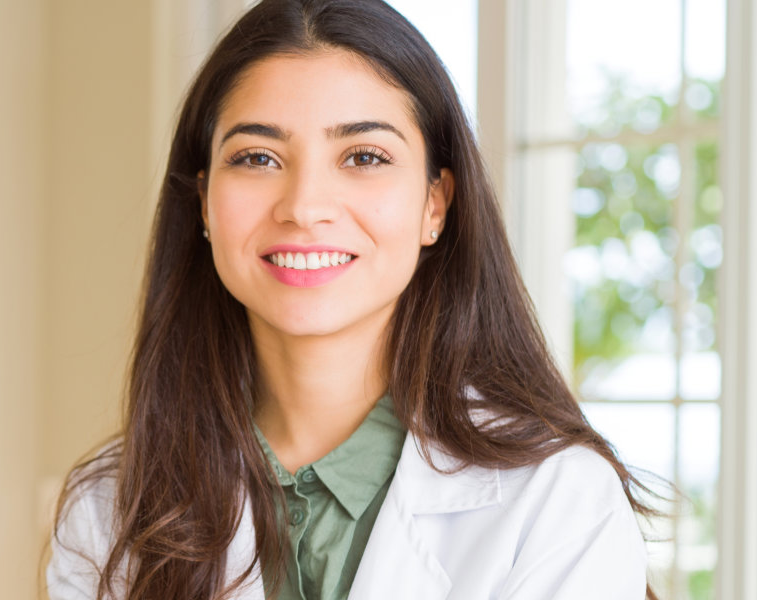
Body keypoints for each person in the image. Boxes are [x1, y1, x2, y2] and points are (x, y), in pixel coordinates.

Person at [46, 1, 661, 598]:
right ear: (205, 203)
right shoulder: (106, 512)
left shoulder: (556, 502)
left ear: (435, 203)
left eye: (364, 156)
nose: (305, 207)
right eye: (258, 157)